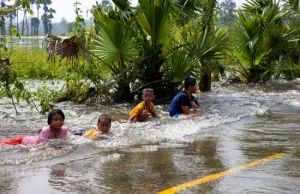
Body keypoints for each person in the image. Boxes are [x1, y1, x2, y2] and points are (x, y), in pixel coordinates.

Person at [0, 109, 71, 146]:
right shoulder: (45, 131)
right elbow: (43, 146)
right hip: (23, 140)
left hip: (33, 138)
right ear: (50, 122)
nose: (58, 122)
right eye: (55, 120)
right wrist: (52, 148)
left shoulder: (64, 130)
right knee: (3, 143)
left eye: (61, 119)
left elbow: (68, 137)